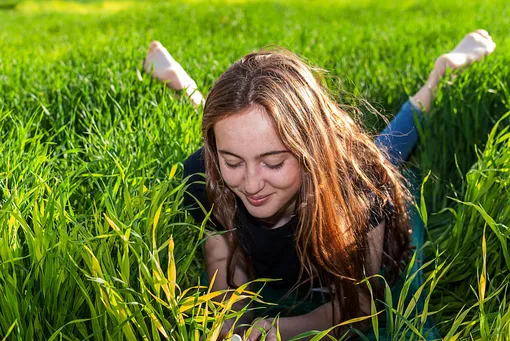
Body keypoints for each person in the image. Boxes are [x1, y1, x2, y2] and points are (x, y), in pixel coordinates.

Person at [144, 30, 496, 340]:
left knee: (391, 147)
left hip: (349, 168)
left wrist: (280, 330)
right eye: (233, 162)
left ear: (312, 150)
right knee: (239, 123)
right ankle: (181, 83)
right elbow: (227, 294)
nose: (250, 184)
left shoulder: (362, 185)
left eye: (275, 162)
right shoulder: (208, 175)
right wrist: (235, 330)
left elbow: (359, 305)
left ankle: (440, 72)